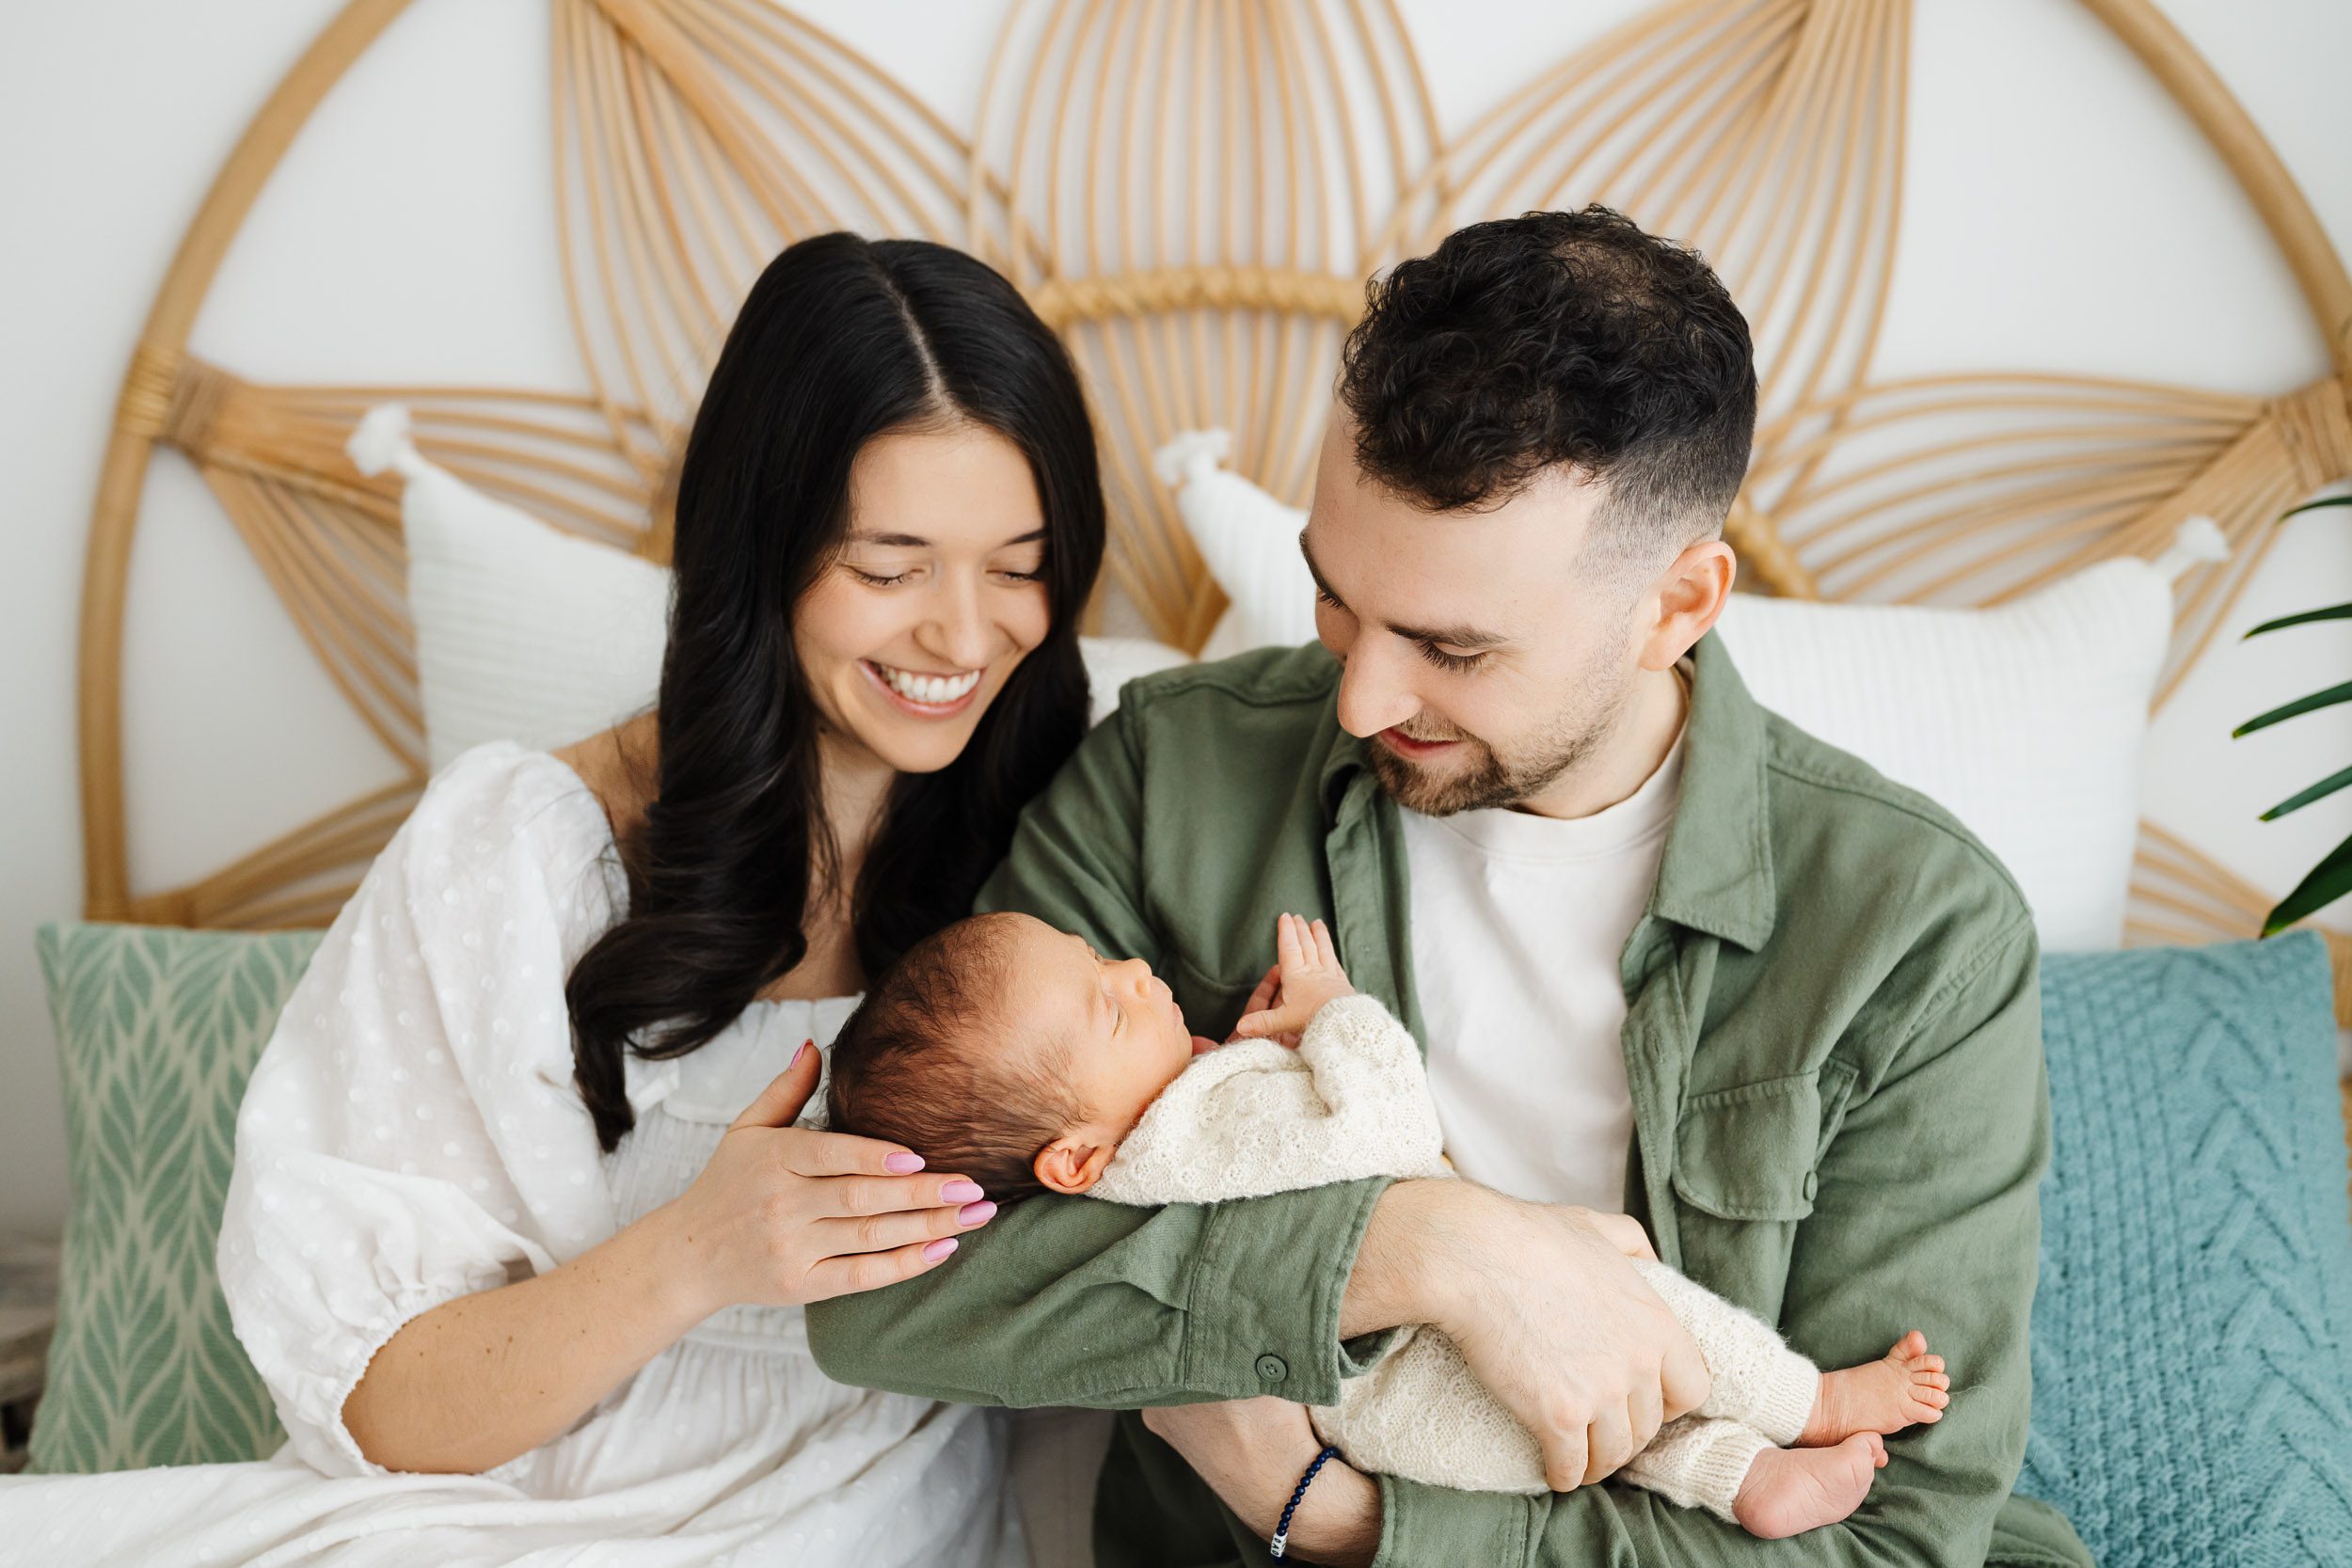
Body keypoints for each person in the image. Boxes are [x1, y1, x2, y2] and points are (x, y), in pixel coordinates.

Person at [805, 208, 2096, 1568]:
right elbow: (886, 1299)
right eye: (1335, 600)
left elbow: (1891, 1539)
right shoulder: (1173, 771)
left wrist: (1347, 1517)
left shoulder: (1913, 932)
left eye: (1453, 649)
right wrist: (1423, 1244)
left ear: (1677, 603)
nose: (1359, 699)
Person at [0, 230, 1105, 1567]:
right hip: (494, 1514)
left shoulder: (1084, 841)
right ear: (762, 547)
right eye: (889, 568)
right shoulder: (521, 852)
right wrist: (697, 1250)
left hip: (868, 1516)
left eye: (1018, 564)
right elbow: (380, 1401)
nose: (965, 634)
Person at [824, 908, 1954, 1538]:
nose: (1131, 969)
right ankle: (1807, 1401)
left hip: (1393, 1430)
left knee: (1615, 1441)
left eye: (1098, 957)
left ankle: (1745, 1477)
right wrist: (1336, 1017)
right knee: (1657, 1320)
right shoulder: (1197, 1120)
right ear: (1072, 1159)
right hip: (1415, 1368)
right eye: (1106, 1005)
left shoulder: (1135, 1161)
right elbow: (1381, 1128)